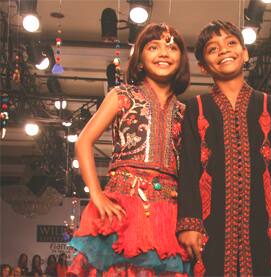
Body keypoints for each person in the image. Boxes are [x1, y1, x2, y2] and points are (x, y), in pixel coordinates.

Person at [67, 22, 190, 276]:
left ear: (182, 61)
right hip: (123, 205)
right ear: (140, 60)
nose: (164, 53)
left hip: (168, 211)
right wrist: (97, 195)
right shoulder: (121, 95)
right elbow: (83, 141)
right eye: (153, 47)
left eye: (172, 48)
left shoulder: (185, 112)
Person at [176, 20, 271, 276]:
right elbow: (187, 170)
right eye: (213, 49)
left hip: (260, 221)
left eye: (231, 43)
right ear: (203, 66)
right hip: (209, 223)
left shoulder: (268, 106)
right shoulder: (196, 108)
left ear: (245, 52)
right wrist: (189, 223)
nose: (224, 51)